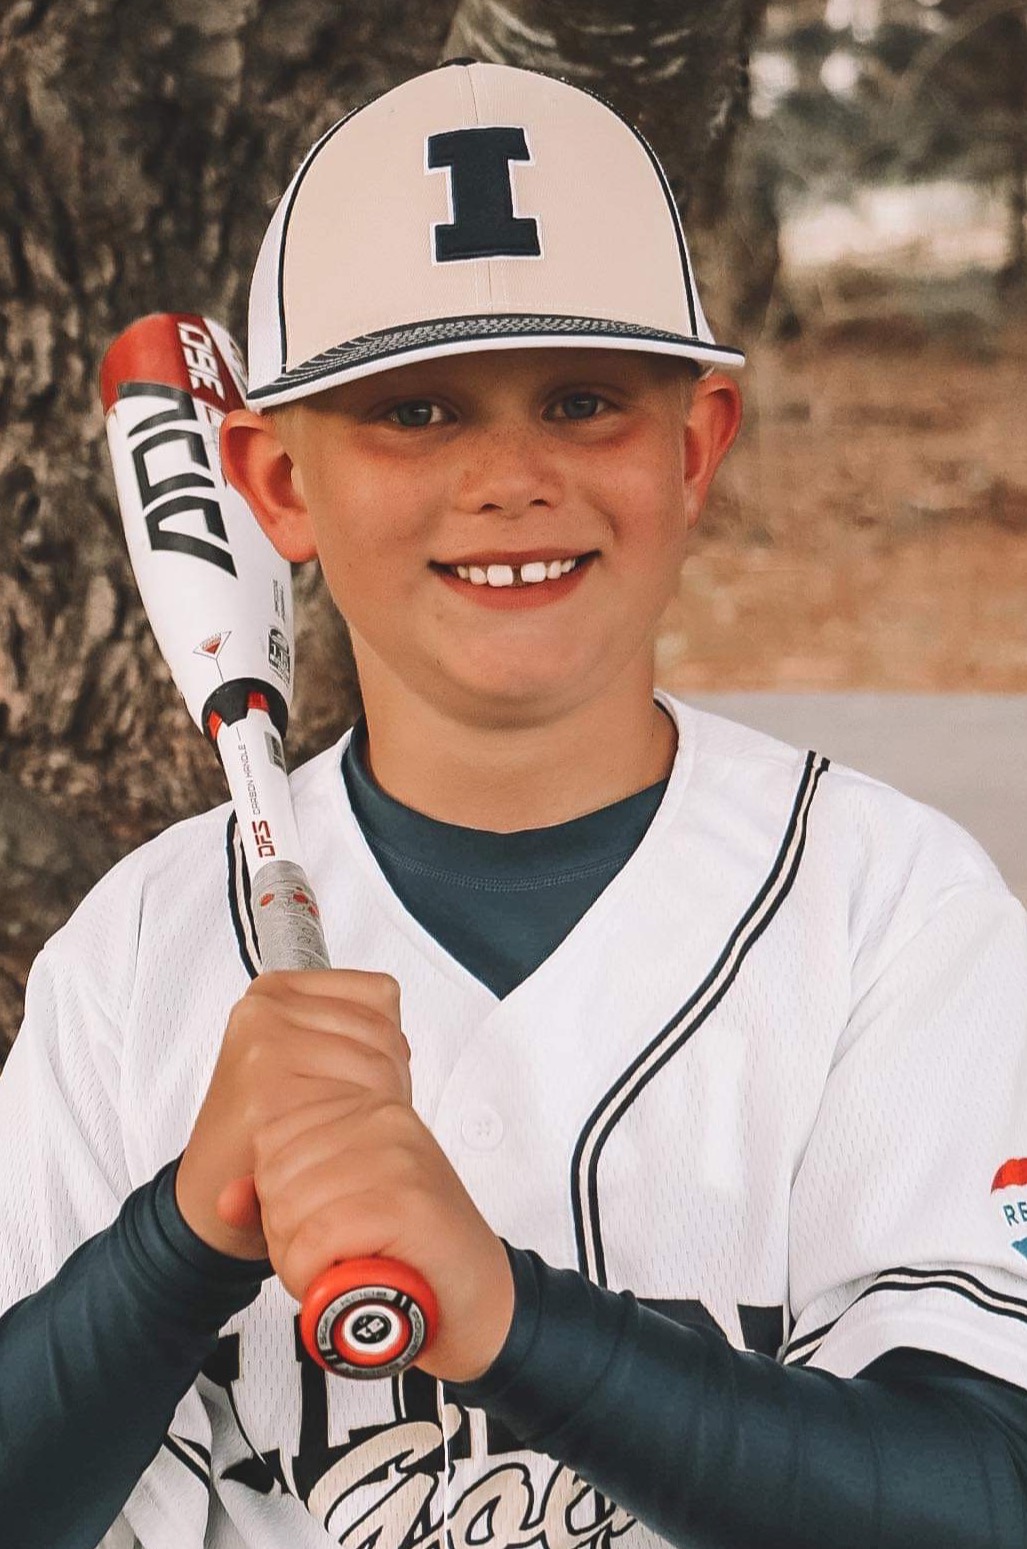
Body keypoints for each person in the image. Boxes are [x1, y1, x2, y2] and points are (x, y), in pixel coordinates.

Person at [1, 57, 1026, 1549]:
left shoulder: (892, 912)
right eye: (416, 410)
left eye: (583, 401)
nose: (510, 478)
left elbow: (985, 1498)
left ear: (696, 444)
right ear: (275, 483)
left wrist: (507, 1319)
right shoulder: (143, 952)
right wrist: (176, 1240)